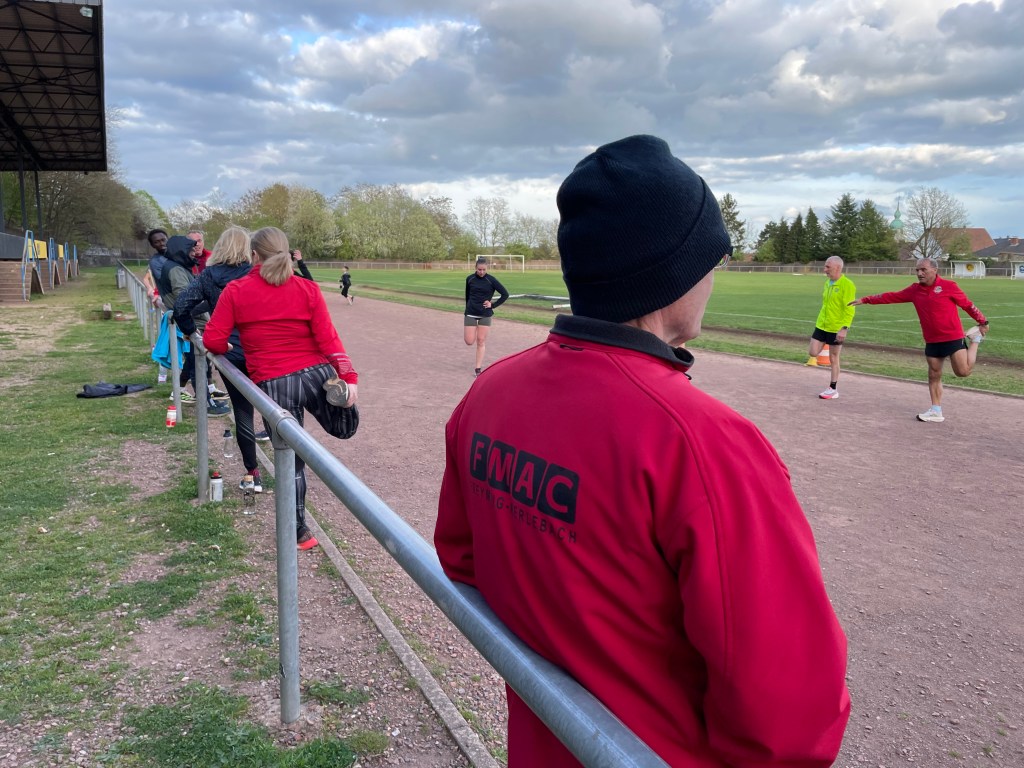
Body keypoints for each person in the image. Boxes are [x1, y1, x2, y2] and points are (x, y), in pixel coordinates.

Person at [434, 135, 850, 767]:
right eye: (711, 261)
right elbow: (788, 715)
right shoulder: (703, 442)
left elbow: (462, 558)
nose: (713, 278)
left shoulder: (490, 392)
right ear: (672, 274)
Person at [203, 226, 360, 551]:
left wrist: (230, 347)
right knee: (345, 428)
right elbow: (328, 339)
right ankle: (342, 407)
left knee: (292, 462)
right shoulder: (306, 287)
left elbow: (213, 340)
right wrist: (349, 376)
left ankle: (299, 531)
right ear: (287, 253)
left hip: (275, 383)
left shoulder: (236, 290)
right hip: (317, 373)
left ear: (253, 256)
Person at [174, 226, 265, 493]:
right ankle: (289, 473)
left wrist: (192, 334)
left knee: (243, 412)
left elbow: (181, 306)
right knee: (274, 407)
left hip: (230, 351)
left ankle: (253, 472)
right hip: (261, 350)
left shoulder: (210, 275)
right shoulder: (257, 273)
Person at [850, 256, 989, 423]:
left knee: (963, 372)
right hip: (932, 339)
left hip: (952, 337)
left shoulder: (949, 286)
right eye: (917, 270)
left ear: (935, 270)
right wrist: (865, 300)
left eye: (923, 270)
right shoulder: (914, 290)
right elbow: (891, 296)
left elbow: (967, 305)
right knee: (934, 374)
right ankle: (936, 410)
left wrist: (983, 322)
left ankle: (975, 340)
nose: (919, 273)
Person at [156, 235, 230, 417]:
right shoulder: (175, 270)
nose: (194, 254)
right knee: (198, 364)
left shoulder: (178, 267)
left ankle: (185, 391)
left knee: (194, 363)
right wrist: (214, 301)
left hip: (193, 322)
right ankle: (206, 405)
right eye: (190, 251)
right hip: (191, 323)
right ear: (181, 251)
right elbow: (184, 302)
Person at [808, 255, 856, 399]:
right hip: (821, 325)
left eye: (828, 267)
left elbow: (850, 309)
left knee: (834, 358)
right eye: (825, 266)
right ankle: (826, 342)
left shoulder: (847, 285)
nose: (825, 269)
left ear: (838, 267)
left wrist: (844, 328)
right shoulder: (827, 283)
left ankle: (833, 388)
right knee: (813, 352)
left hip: (836, 328)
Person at [463, 257, 509, 376]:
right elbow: (467, 296)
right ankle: (473, 329)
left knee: (481, 340)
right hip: (471, 313)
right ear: (475, 268)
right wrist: (468, 308)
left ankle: (478, 369)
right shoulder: (470, 279)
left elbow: (505, 294)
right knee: (469, 341)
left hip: (485, 314)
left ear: (487, 268)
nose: (482, 272)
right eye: (479, 269)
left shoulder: (491, 280)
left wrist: (492, 305)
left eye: (484, 269)